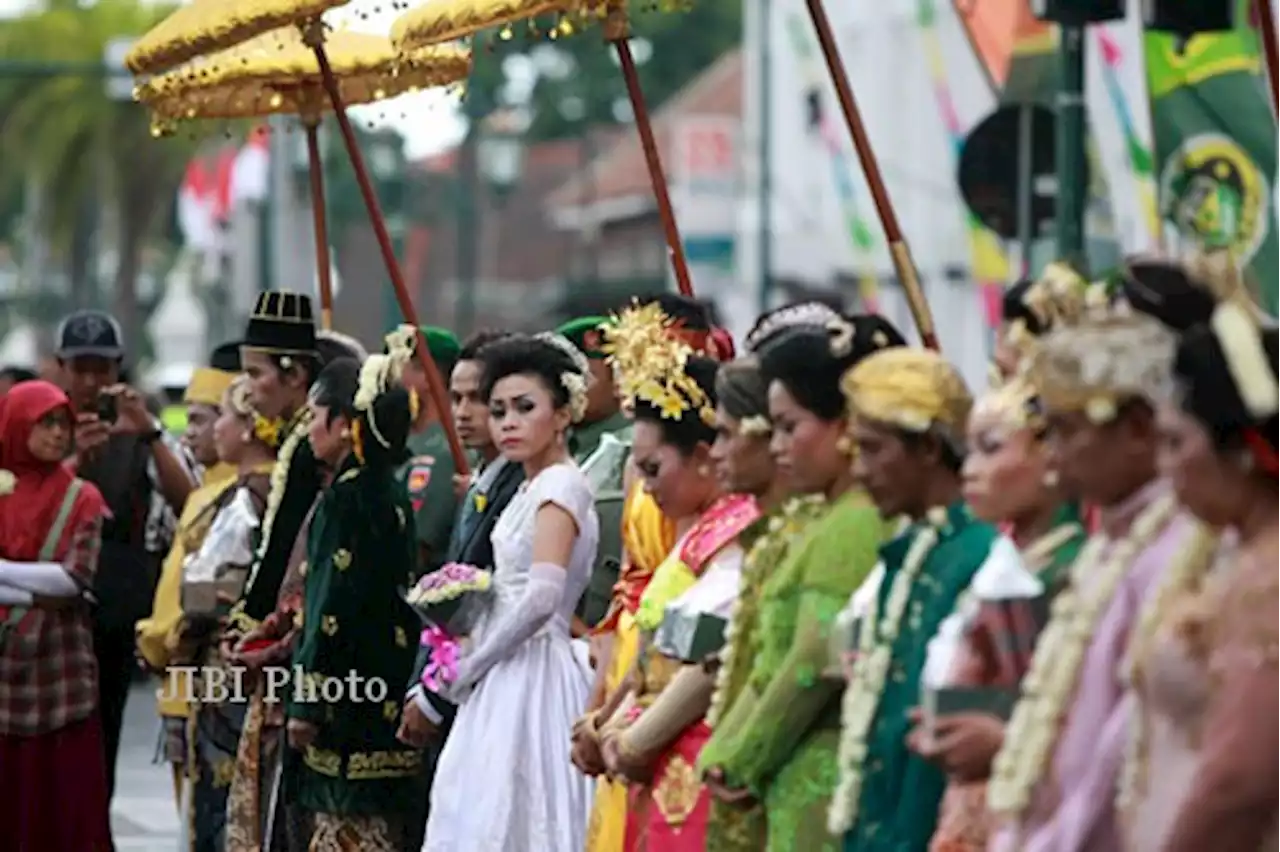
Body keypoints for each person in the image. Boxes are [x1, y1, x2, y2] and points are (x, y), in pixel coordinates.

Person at [987, 308, 1197, 852]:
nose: (1051, 458)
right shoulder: (1114, 541)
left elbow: (1117, 751)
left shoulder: (1178, 552)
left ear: (1136, 430)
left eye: (1064, 432)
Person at [698, 316, 902, 852]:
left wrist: (740, 756)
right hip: (788, 771)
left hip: (817, 771)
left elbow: (812, 661)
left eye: (790, 427)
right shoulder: (826, 519)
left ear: (843, 426)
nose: (779, 446)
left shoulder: (855, 523)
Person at [585, 303, 760, 852]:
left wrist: (631, 736)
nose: (646, 486)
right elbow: (655, 653)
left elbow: (708, 665)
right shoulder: (694, 534)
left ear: (706, 456)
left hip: (689, 751)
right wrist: (607, 719)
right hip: (654, 744)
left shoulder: (733, 535)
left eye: (654, 469)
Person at [423, 333, 600, 852]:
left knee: (523, 811)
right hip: (506, 663)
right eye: (498, 410)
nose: (508, 422)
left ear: (563, 414)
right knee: (480, 806)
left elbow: (544, 595)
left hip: (536, 668)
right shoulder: (529, 484)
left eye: (525, 408)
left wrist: (472, 663)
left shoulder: (560, 485)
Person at [1119, 296, 1278, 850]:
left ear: (1240, 452)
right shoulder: (1244, 555)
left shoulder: (1271, 580)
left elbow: (1240, 783)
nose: (1163, 468)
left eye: (1175, 443)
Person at [906, 375, 1087, 852]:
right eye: (970, 450)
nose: (970, 469)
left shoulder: (1076, 574)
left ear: (1053, 457)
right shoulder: (1011, 560)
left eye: (990, 448)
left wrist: (1002, 741)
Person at [828, 346, 997, 852]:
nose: (859, 471)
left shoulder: (982, 561)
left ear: (927, 449)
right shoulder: (909, 553)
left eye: (873, 449)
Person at [56, 308, 197, 802]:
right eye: (81, 368)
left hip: (116, 602)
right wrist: (76, 462)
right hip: (51, 606)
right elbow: (31, 506)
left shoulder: (139, 423)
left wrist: (150, 433)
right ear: (61, 368)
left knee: (105, 732)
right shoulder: (46, 421)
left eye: (104, 369)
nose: (92, 381)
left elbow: (189, 503)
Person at [284, 349, 424, 849]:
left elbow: (328, 609)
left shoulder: (346, 498)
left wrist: (305, 700)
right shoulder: (389, 490)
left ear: (345, 425)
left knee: (345, 826)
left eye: (314, 416)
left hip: (346, 697)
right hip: (385, 678)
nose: (308, 430)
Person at [397, 329, 523, 851]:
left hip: (491, 689)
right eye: (459, 398)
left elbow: (493, 608)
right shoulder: (487, 482)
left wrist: (433, 695)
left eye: (482, 399)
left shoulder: (521, 485)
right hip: (455, 687)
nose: (466, 412)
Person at [223, 291, 326, 852]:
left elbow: (284, 544)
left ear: (295, 374)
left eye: (255, 374)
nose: (247, 389)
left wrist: (253, 619)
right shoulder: (295, 437)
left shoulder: (310, 442)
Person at [0, 380, 112, 849]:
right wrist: (38, 589)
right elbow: (55, 585)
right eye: (43, 422)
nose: (56, 434)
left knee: (66, 806)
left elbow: (75, 579)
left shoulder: (81, 496)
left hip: (61, 675)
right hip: (6, 674)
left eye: (61, 423)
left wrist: (5, 576)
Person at [135, 349, 240, 813]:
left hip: (204, 678)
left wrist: (166, 639)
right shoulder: (204, 493)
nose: (194, 430)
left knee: (211, 814)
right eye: (190, 419)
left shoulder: (236, 496)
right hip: (177, 683)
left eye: (206, 419)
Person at [176, 375, 276, 852]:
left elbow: (227, 585)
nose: (218, 428)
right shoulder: (240, 493)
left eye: (228, 417)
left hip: (233, 662)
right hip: (220, 664)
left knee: (226, 801)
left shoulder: (254, 498)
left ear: (253, 427)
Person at [398, 326, 463, 579]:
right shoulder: (406, 441)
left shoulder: (441, 451)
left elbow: (416, 548)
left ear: (426, 375)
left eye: (396, 367)